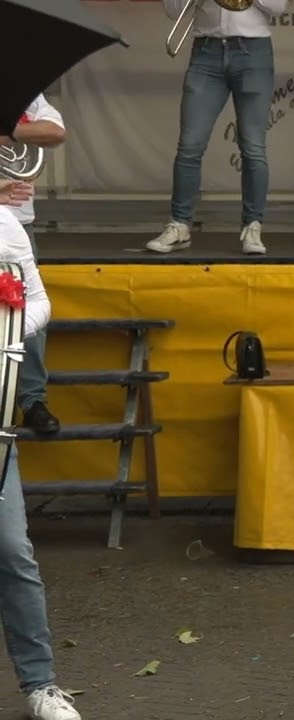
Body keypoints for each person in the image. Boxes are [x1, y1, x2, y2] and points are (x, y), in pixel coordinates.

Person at [0, 189, 78, 720]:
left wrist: (7, 325)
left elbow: (41, 301)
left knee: (12, 550)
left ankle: (41, 684)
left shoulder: (6, 223)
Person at [149, 0, 286, 255]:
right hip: (206, 52)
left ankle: (252, 226)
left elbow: (278, 8)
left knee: (253, 146)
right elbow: (172, 12)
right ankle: (180, 225)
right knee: (190, 145)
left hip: (253, 51)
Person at [0, 95, 64, 434]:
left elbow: (55, 133)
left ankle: (31, 399)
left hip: (18, 225)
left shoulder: (25, 93)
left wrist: (9, 132)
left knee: (27, 310)